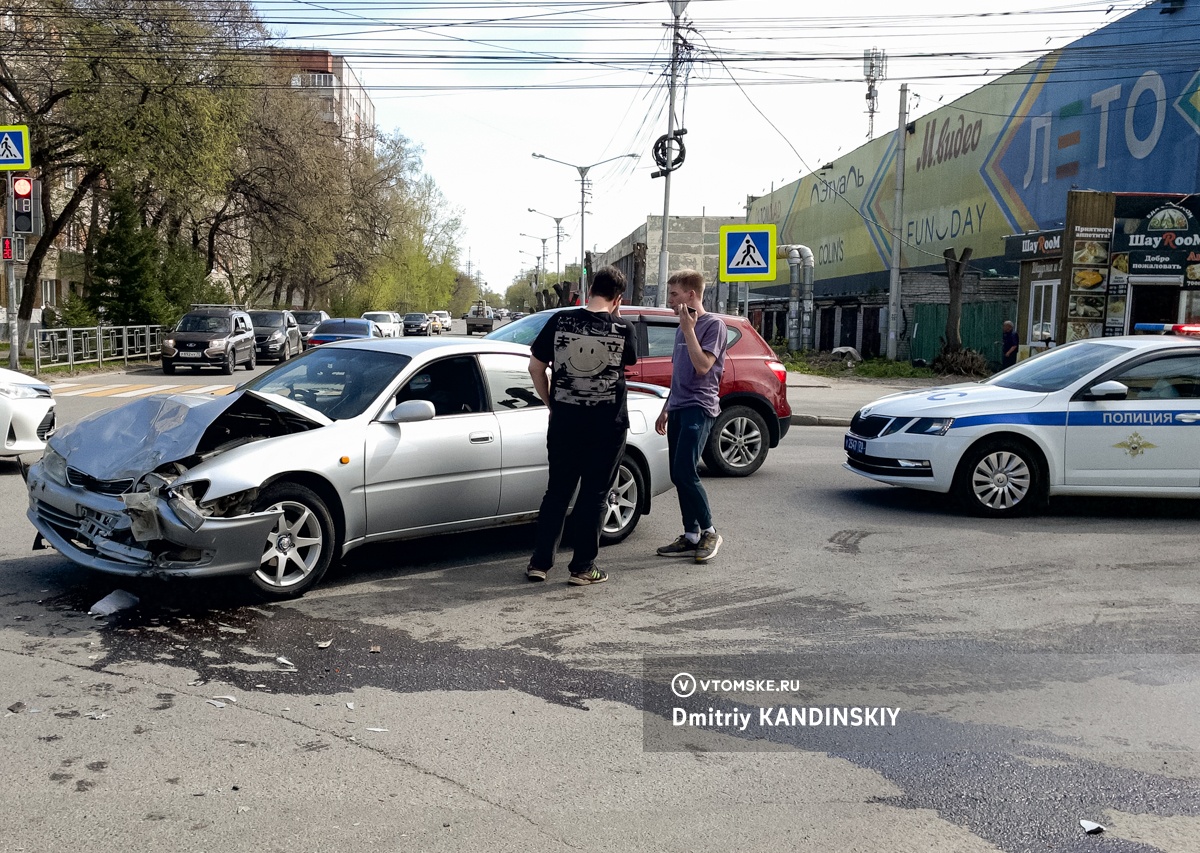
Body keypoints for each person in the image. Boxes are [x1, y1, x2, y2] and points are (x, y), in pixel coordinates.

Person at [525, 265, 637, 586]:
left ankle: (540, 563)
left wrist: (552, 403)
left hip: (564, 424)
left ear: (589, 292)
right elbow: (628, 363)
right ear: (618, 299)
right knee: (594, 495)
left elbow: (535, 367)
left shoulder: (559, 321)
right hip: (607, 427)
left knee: (557, 492)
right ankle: (583, 568)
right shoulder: (623, 329)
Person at [654, 269, 728, 563]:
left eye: (674, 294)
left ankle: (710, 532)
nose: (670, 301)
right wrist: (667, 406)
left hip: (700, 406)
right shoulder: (680, 328)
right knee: (677, 473)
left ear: (691, 295)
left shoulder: (713, 326)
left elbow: (702, 367)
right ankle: (691, 535)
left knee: (686, 471)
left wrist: (688, 330)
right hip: (680, 406)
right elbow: (679, 373)